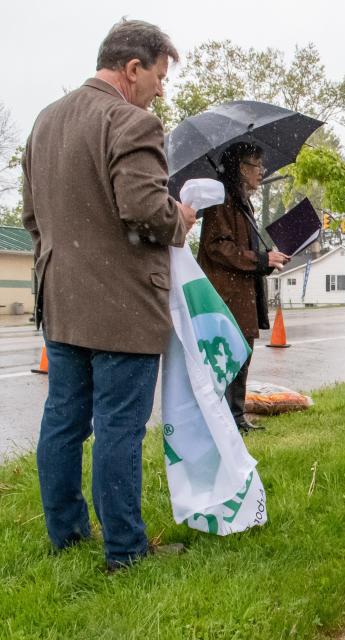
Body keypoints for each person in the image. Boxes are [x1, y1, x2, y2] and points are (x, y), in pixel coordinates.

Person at [21, 19, 195, 571]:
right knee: (118, 425)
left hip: (63, 301)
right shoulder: (132, 121)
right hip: (123, 305)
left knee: (64, 420)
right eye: (159, 76)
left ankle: (67, 537)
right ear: (132, 68)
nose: (161, 89)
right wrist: (181, 218)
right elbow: (144, 209)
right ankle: (124, 550)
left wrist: (66, 263)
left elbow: (32, 218)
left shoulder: (45, 122)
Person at [197, 143, 289, 433]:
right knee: (229, 356)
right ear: (240, 167)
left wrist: (267, 256)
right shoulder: (221, 199)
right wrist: (261, 259)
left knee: (242, 353)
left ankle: (235, 419)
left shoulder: (241, 201)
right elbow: (218, 247)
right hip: (226, 295)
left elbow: (240, 245)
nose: (261, 171)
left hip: (243, 293)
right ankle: (224, 421)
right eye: (256, 164)